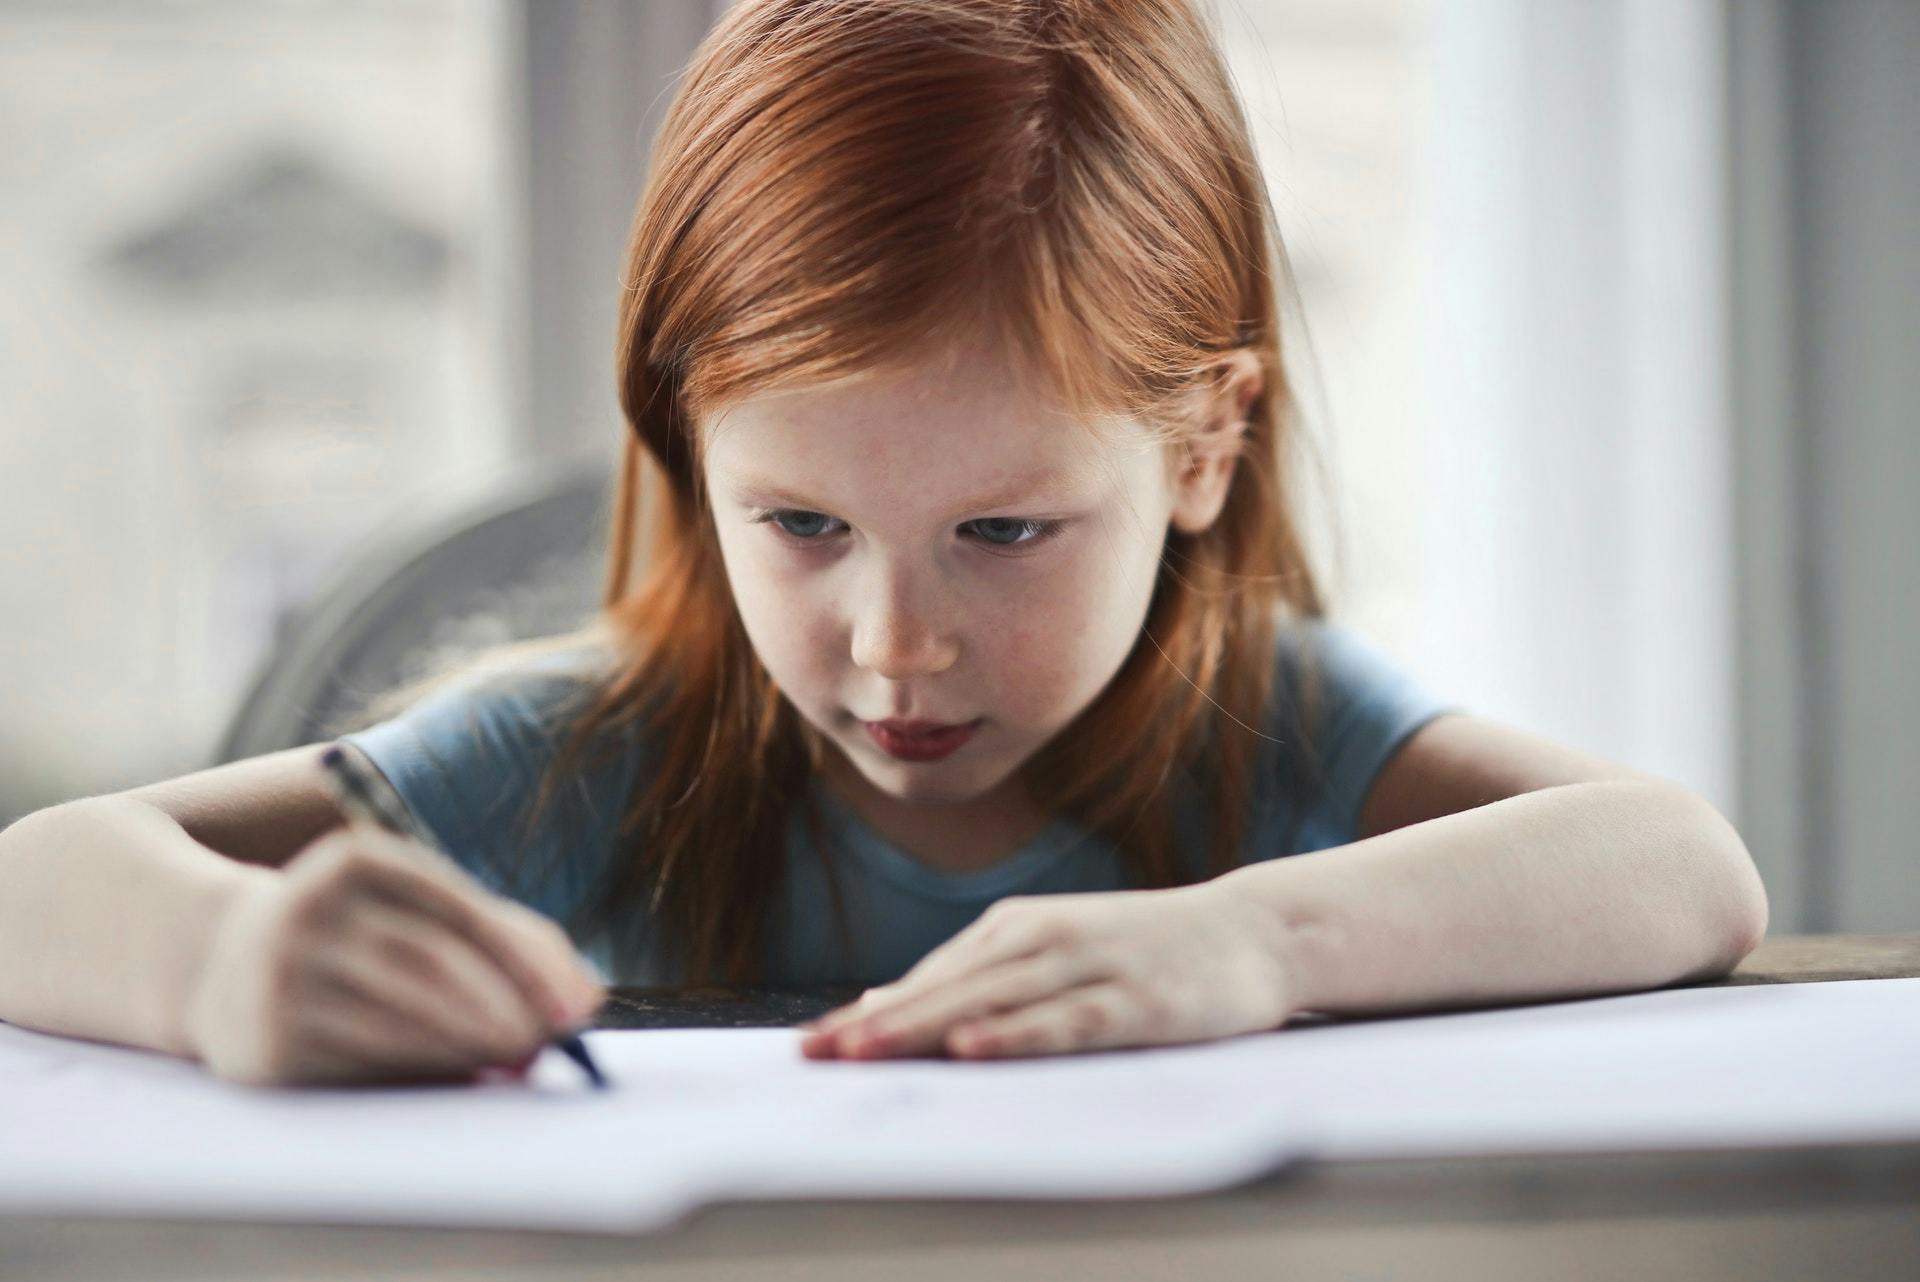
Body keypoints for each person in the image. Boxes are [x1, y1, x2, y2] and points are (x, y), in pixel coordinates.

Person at [0, 0, 1768, 1088]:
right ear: (691, 455)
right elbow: (37, 877)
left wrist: (1264, 943)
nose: (894, 641)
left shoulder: (1268, 729)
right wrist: (224, 964)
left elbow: (1684, 868)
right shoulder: (584, 756)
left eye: (1004, 527)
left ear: (1206, 444)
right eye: (802, 523)